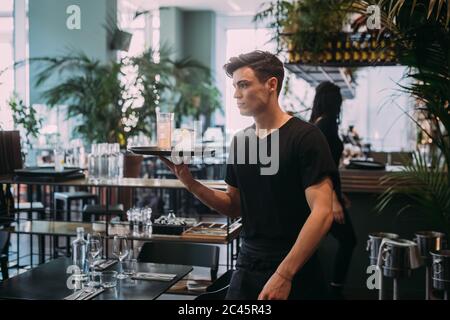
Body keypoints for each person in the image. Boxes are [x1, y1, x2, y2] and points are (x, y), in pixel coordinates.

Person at [159, 51, 338, 300]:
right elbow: (234, 206)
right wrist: (190, 182)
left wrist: (284, 275)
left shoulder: (306, 137)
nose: (236, 95)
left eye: (243, 85)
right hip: (248, 263)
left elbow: (323, 212)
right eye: (234, 86)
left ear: (271, 84)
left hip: (294, 267)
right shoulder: (242, 141)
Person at [309, 81, 357, 299]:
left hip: (323, 195)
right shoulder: (326, 124)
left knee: (312, 243)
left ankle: (322, 289)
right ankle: (335, 292)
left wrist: (338, 193)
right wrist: (333, 200)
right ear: (335, 102)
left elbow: (325, 167)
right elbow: (324, 167)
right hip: (324, 199)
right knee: (349, 240)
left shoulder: (317, 122)